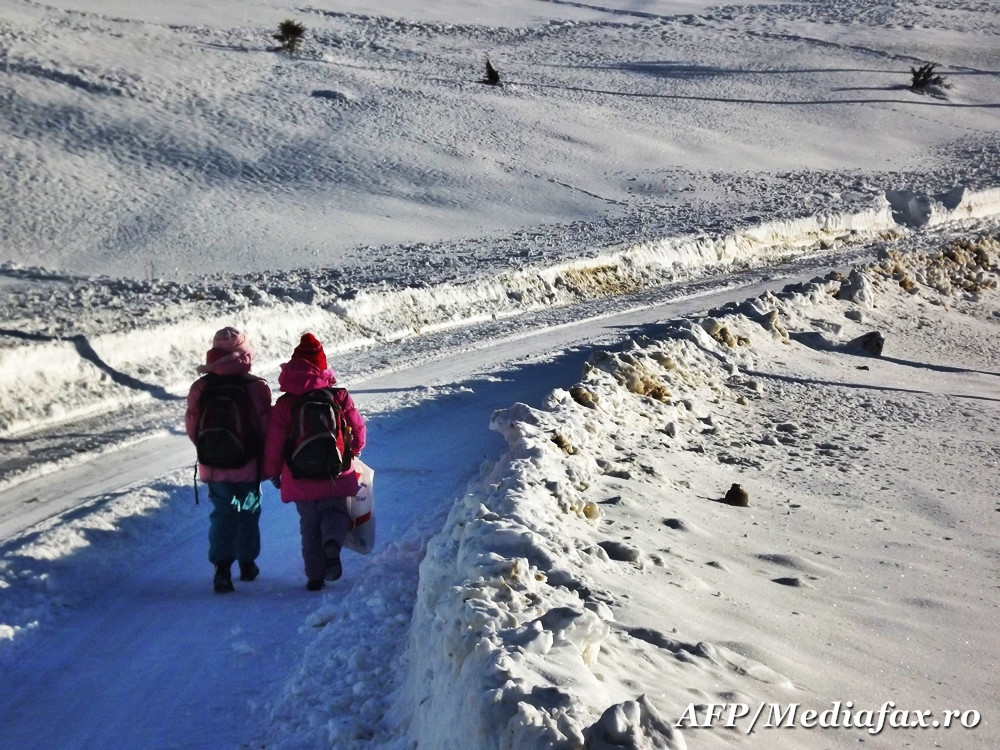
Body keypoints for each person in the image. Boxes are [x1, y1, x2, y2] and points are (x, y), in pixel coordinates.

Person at [263, 332, 366, 591]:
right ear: (322, 367)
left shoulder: (285, 405)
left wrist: (274, 472)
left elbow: (274, 443)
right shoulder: (338, 396)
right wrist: (354, 449)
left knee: (309, 526)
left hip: (299, 477)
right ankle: (332, 544)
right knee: (335, 513)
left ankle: (314, 577)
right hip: (336, 471)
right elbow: (358, 428)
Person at [185, 327, 272, 594]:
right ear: (245, 355)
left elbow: (193, 426)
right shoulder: (256, 387)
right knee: (247, 512)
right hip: (247, 467)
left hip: (214, 467)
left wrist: (212, 451)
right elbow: (267, 428)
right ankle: (247, 564)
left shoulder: (200, 387)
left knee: (222, 514)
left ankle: (221, 568)